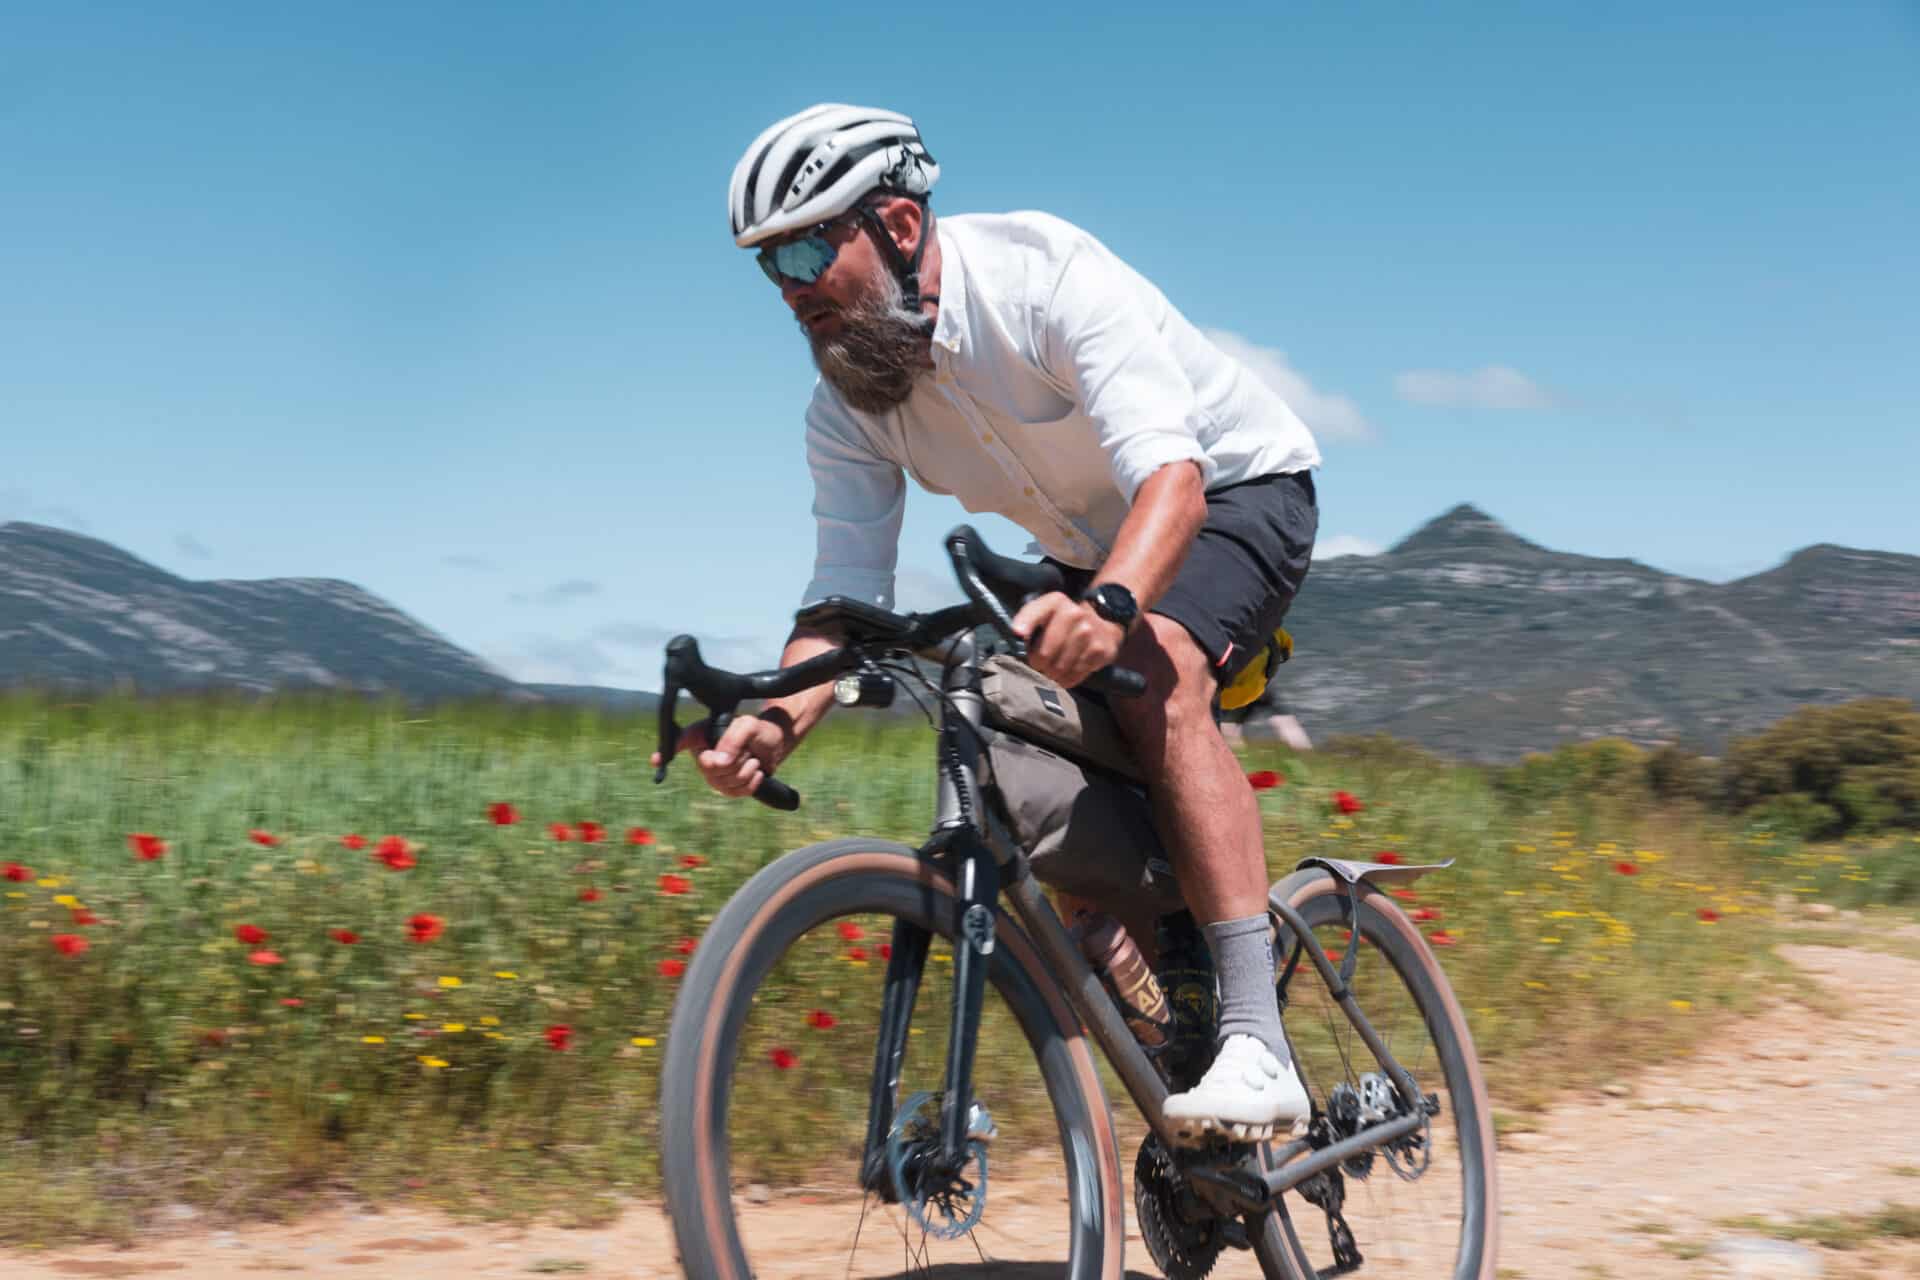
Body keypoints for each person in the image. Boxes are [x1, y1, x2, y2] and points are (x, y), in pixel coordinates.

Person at [682, 103, 1321, 1143]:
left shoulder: (1043, 276)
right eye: (768, 266)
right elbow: (843, 598)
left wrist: (1111, 607)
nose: (789, 286)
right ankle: (1170, 978)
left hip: (1232, 491)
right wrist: (776, 717)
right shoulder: (846, 406)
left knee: (1159, 662)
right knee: (1015, 746)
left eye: (804, 249)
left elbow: (1171, 478)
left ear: (897, 224)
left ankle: (1260, 1040)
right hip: (1085, 547)